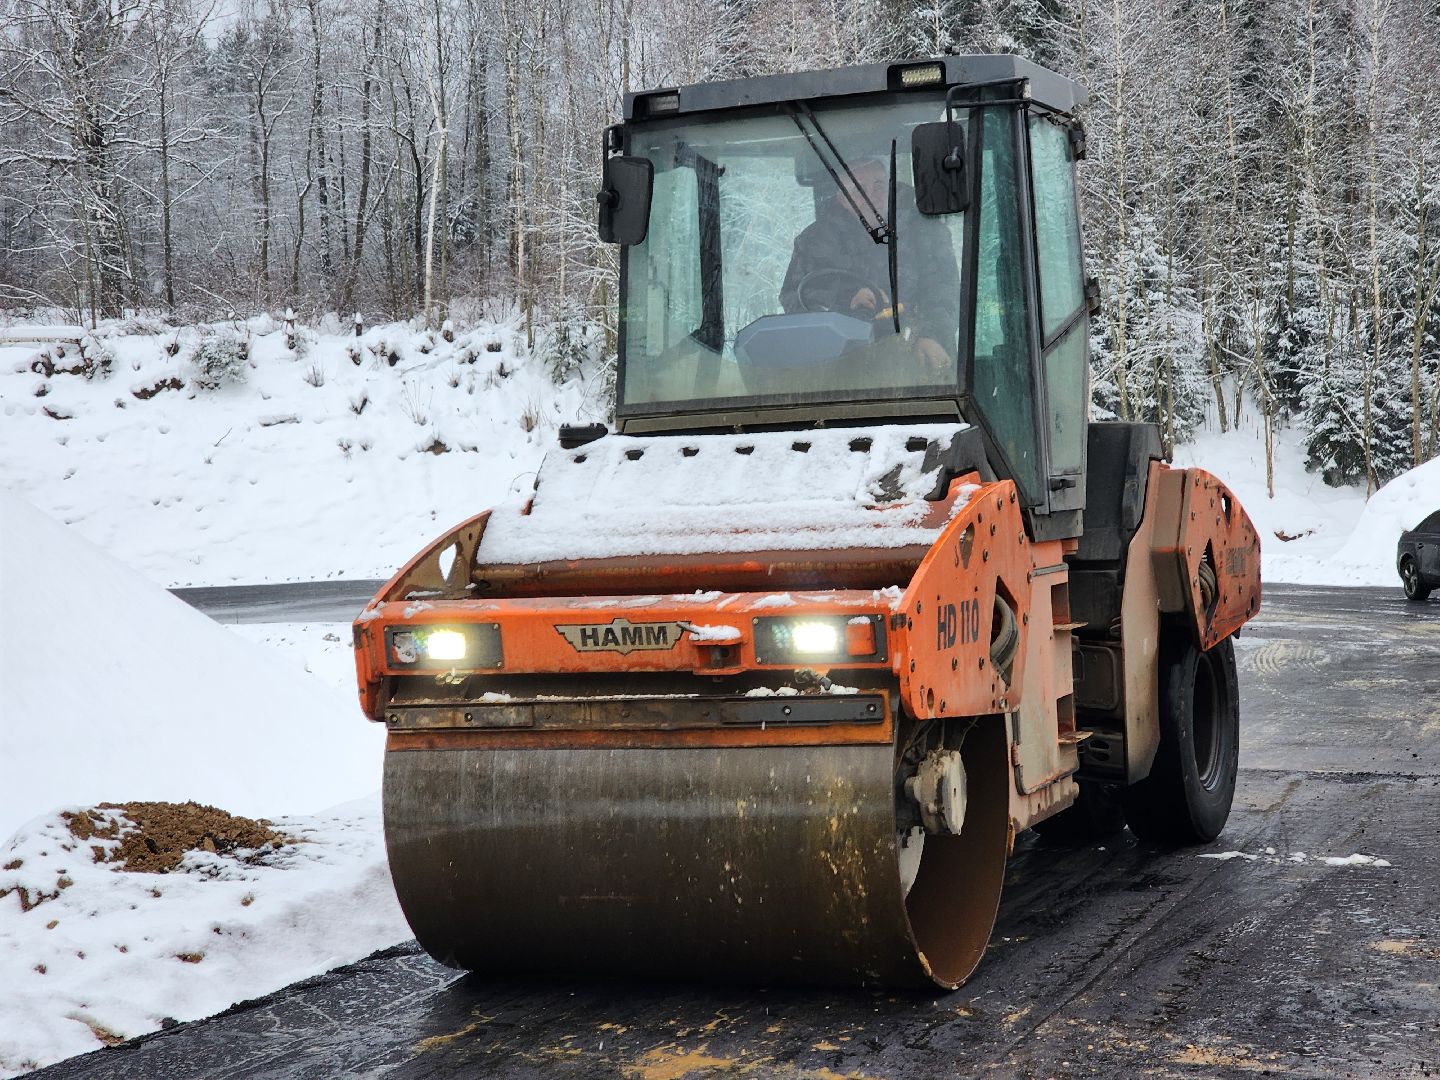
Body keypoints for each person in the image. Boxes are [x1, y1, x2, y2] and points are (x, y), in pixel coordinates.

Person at [779, 155, 959, 374]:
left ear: (890, 189)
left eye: (878, 185)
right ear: (842, 198)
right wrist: (845, 300)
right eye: (858, 189)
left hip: (915, 357)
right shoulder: (814, 241)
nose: (870, 196)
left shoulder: (926, 231)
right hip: (840, 367)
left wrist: (933, 335)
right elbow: (794, 298)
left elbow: (944, 291)